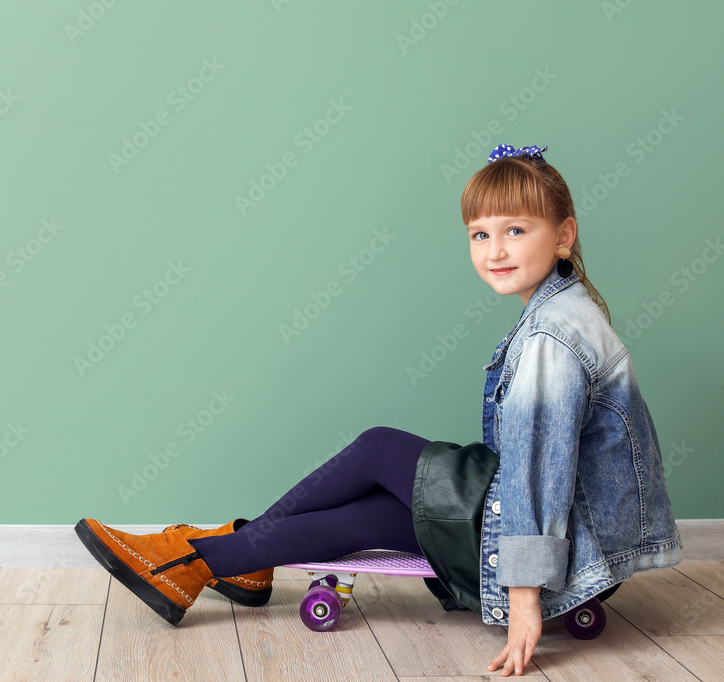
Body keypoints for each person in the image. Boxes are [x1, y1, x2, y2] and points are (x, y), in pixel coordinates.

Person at [75, 143, 682, 676]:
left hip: (567, 550)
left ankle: (200, 556)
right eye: (480, 234)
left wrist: (524, 596)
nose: (495, 250)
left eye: (516, 231)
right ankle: (212, 561)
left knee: (378, 448)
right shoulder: (561, 309)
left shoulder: (555, 335)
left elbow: (535, 477)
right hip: (584, 539)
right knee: (376, 513)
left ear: (564, 235)